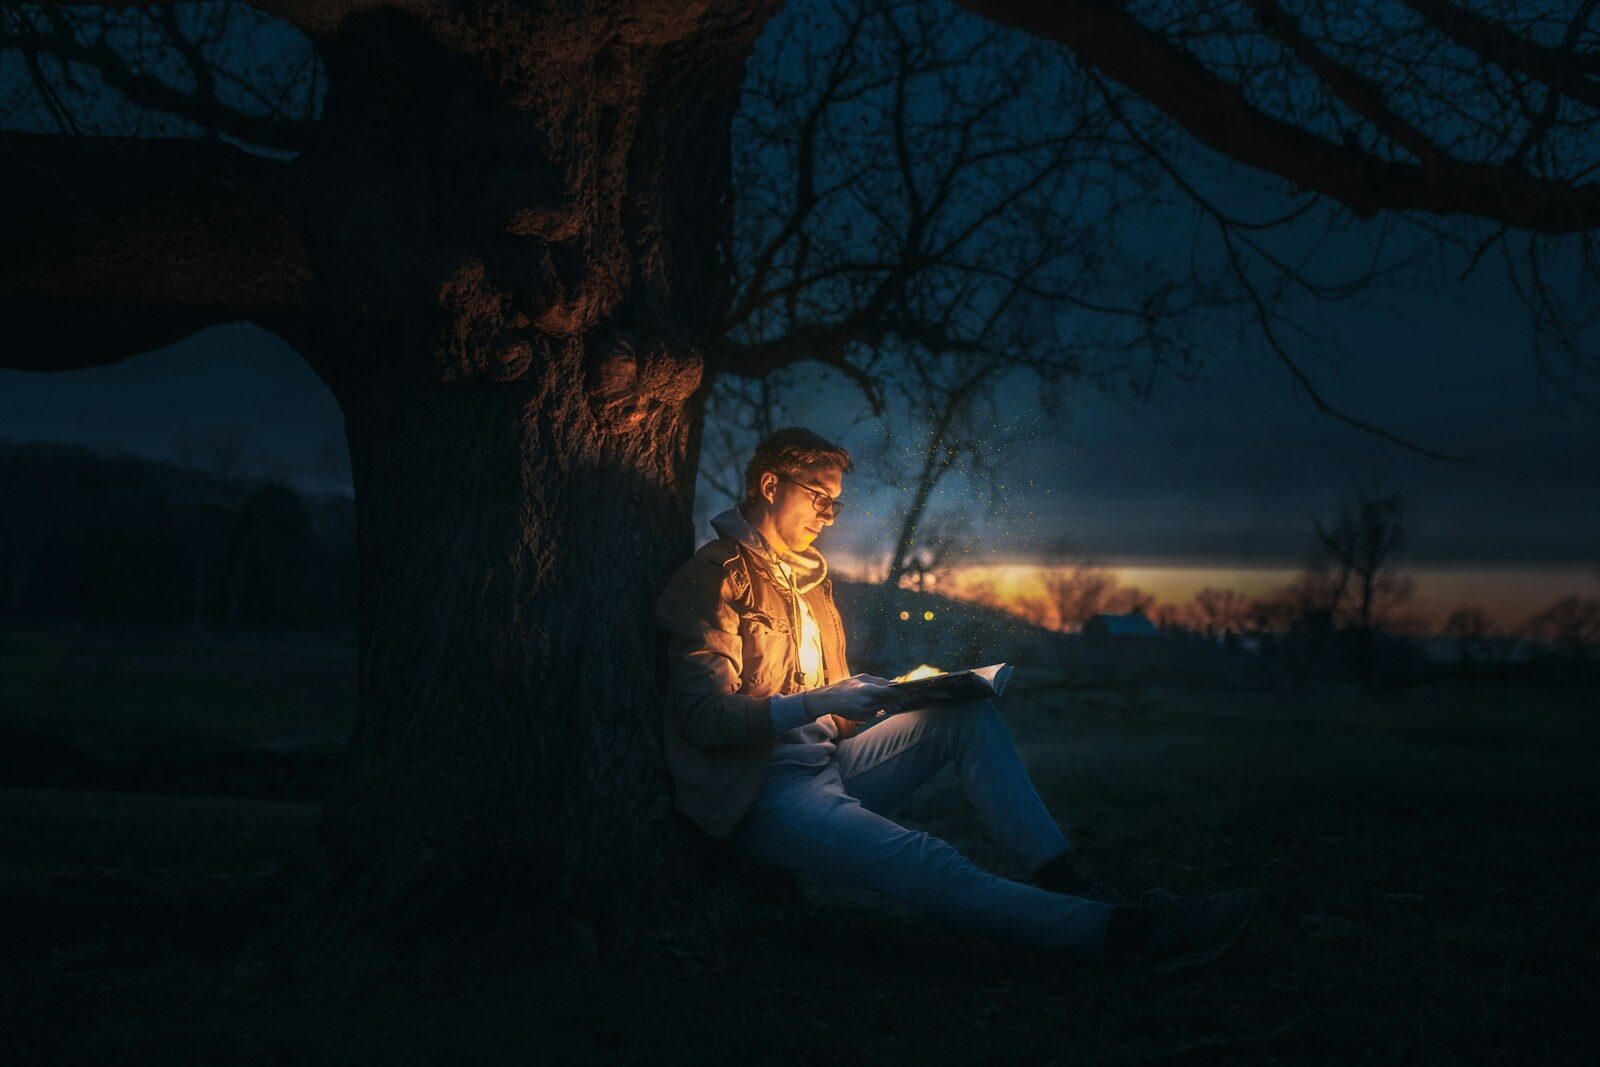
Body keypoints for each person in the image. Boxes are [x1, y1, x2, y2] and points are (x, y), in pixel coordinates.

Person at [654, 427, 1258, 972]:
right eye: (819, 496)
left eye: (836, 503)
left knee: (964, 713)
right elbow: (706, 719)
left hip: (828, 766)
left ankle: (1069, 885)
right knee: (925, 858)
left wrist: (890, 695)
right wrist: (820, 703)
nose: (830, 516)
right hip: (760, 794)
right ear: (769, 483)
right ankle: (1125, 936)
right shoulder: (716, 577)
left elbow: (826, 709)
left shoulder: (813, 586)